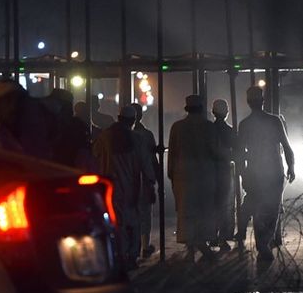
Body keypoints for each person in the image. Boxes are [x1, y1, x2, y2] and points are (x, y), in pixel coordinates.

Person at [92, 105, 155, 269]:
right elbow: (146, 164)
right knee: (133, 223)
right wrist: (151, 182)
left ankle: (118, 254)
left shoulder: (104, 137)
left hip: (110, 187)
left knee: (116, 222)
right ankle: (132, 256)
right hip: (132, 188)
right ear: (133, 120)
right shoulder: (137, 138)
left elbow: (95, 158)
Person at [237, 86, 295, 261]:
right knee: (271, 209)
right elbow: (286, 146)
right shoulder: (274, 121)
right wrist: (291, 166)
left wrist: (243, 173)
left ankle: (261, 243)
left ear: (248, 102)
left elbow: (240, 154)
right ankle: (264, 244)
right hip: (274, 171)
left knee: (258, 209)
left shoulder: (245, 124)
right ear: (263, 101)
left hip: (255, 172)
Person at [167, 95, 217, 262]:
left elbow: (172, 153)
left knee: (186, 212)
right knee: (203, 211)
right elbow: (215, 152)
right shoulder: (208, 127)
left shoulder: (177, 127)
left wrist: (171, 174)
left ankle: (190, 247)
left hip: (183, 176)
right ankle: (202, 243)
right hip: (204, 175)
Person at [130, 102, 159, 259]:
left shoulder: (119, 134)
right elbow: (152, 160)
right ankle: (144, 246)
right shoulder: (146, 135)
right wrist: (157, 178)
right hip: (143, 179)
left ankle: (132, 249)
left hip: (126, 180)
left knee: (129, 215)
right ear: (140, 116)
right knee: (145, 215)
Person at [211, 99, 236, 252]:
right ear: (227, 112)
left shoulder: (209, 130)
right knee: (225, 205)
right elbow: (236, 150)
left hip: (211, 171)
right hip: (226, 170)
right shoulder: (230, 130)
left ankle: (212, 235)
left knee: (213, 204)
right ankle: (223, 237)